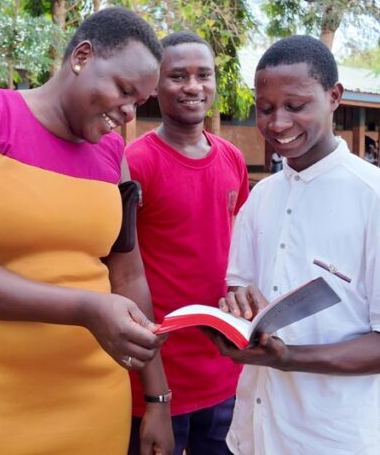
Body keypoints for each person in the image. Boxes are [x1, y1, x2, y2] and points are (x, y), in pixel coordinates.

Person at [0, 7, 174, 455]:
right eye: (124, 91)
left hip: (94, 410)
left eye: (138, 103)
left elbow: (127, 277)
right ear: (82, 56)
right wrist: (83, 309)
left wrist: (158, 399)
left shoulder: (113, 153)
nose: (128, 113)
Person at [211, 36, 380, 455]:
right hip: (257, 432)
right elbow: (239, 288)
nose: (278, 123)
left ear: (334, 97)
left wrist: (288, 357)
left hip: (337, 437)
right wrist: (235, 311)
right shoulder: (261, 197)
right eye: (265, 109)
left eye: (295, 106)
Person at [125, 31, 248, 455]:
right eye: (178, 76)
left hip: (224, 370)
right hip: (157, 375)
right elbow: (120, 271)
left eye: (204, 75)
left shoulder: (231, 158)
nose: (193, 86)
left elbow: (238, 252)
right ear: (155, 85)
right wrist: (153, 393)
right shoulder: (135, 163)